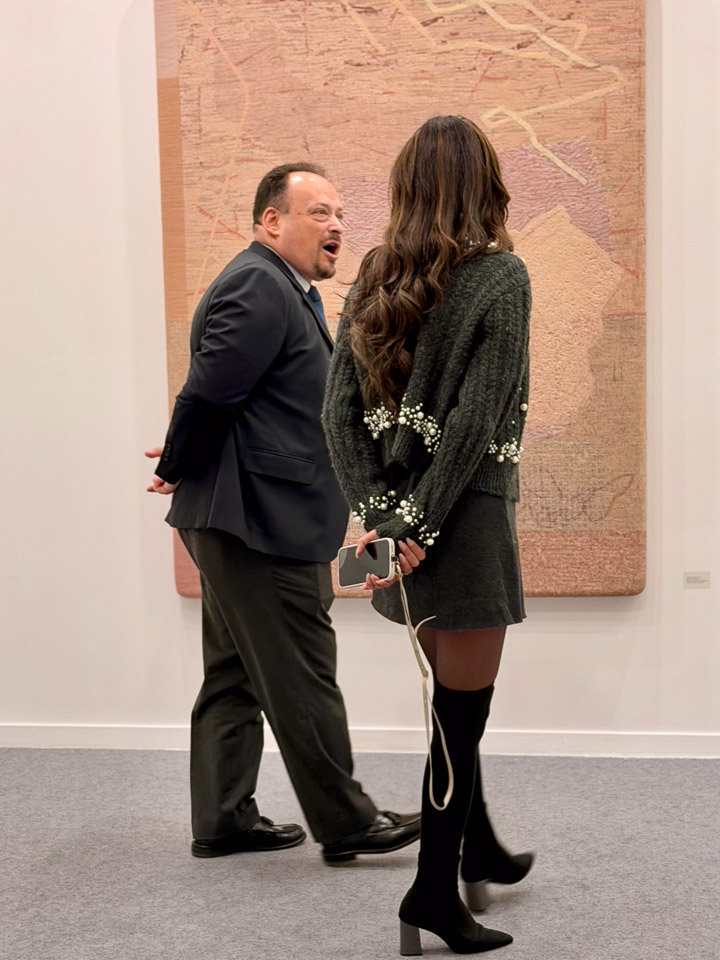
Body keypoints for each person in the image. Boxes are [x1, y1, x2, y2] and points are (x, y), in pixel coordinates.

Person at [145, 163, 423, 863]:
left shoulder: (286, 290)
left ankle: (223, 819)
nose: (337, 226)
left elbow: (244, 400)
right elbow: (210, 391)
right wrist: (177, 461)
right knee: (303, 671)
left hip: (244, 515)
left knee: (234, 673)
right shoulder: (260, 284)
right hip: (258, 522)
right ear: (271, 221)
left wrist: (190, 452)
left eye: (340, 214)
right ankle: (348, 821)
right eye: (319, 212)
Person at [322, 117, 533, 953]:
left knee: (452, 708)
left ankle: (478, 850)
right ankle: (431, 896)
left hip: (405, 528)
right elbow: (477, 421)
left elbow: (338, 416)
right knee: (459, 717)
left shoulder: (377, 273)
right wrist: (418, 524)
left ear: (407, 186)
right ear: (486, 184)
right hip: (466, 521)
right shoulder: (503, 276)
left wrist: (387, 519)